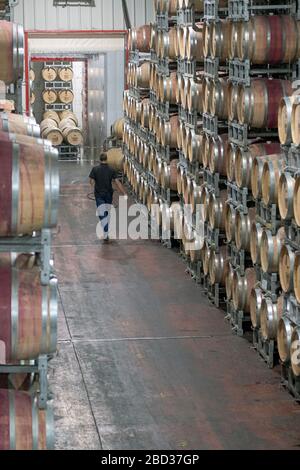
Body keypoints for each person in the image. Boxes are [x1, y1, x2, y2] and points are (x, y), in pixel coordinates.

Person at [89, 153, 117, 242]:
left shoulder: (95, 169)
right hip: (109, 194)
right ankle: (106, 231)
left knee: (102, 213)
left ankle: (105, 231)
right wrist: (123, 193)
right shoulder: (111, 169)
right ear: (107, 159)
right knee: (107, 213)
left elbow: (91, 181)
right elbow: (117, 182)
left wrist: (93, 185)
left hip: (99, 194)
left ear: (99, 159)